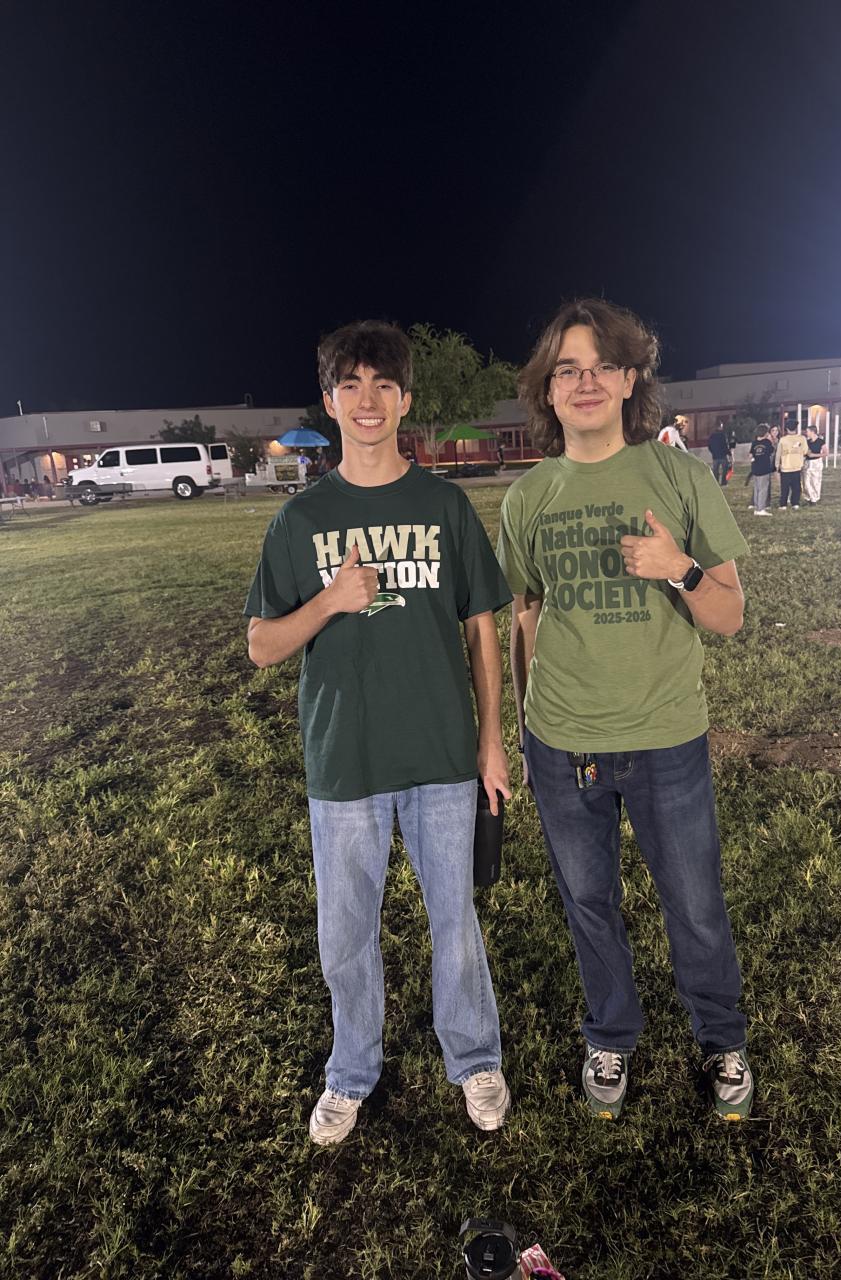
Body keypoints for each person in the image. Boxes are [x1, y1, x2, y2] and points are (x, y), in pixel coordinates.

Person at [245, 320, 513, 1145]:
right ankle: (350, 1071)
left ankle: (475, 1058)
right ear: (329, 402)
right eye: (351, 385)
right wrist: (330, 600)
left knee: (454, 922)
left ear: (405, 400)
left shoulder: (443, 506)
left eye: (383, 385)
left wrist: (492, 740)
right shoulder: (301, 519)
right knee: (345, 936)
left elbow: (481, 628)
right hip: (345, 757)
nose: (368, 400)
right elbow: (261, 646)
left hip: (440, 753)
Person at [497, 298, 753, 1123]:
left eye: (603, 365)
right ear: (547, 388)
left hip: (665, 737)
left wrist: (680, 568)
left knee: (695, 904)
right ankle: (610, 1033)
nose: (586, 382)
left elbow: (728, 614)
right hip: (561, 744)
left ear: (631, 378)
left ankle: (722, 1040)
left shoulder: (680, 478)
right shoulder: (528, 498)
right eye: (567, 369)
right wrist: (527, 730)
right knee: (589, 904)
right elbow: (525, 617)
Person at [775, 421, 808, 509]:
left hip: (786, 466)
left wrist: (777, 464)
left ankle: (783, 504)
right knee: (796, 486)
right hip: (797, 466)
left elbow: (778, 453)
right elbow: (805, 451)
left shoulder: (783, 440)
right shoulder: (802, 438)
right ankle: (795, 503)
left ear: (787, 429)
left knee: (784, 487)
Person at [749, 424, 776, 515]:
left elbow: (750, 455)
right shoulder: (767, 442)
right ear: (765, 433)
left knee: (757, 488)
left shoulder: (754, 443)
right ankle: (761, 509)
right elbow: (771, 451)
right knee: (763, 489)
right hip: (764, 468)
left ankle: (757, 508)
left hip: (755, 468)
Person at [802, 425, 826, 504]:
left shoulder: (821, 441)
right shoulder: (807, 442)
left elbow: (826, 453)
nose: (806, 433)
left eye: (807, 431)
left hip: (816, 463)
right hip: (807, 463)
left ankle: (814, 498)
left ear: (812, 432)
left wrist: (814, 455)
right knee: (806, 482)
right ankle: (808, 497)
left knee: (815, 482)